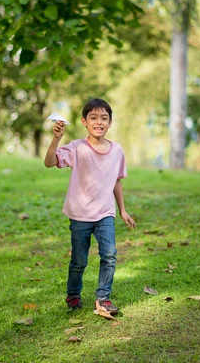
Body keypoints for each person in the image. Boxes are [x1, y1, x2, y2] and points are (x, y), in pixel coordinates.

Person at [44, 98, 136, 315]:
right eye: (93, 118)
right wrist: (56, 140)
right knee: (79, 261)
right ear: (84, 121)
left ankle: (103, 298)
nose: (99, 122)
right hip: (80, 214)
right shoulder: (76, 148)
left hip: (105, 213)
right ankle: (73, 294)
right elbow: (49, 162)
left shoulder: (117, 150)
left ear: (110, 123)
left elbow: (116, 180)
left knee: (110, 254)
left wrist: (122, 210)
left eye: (104, 118)